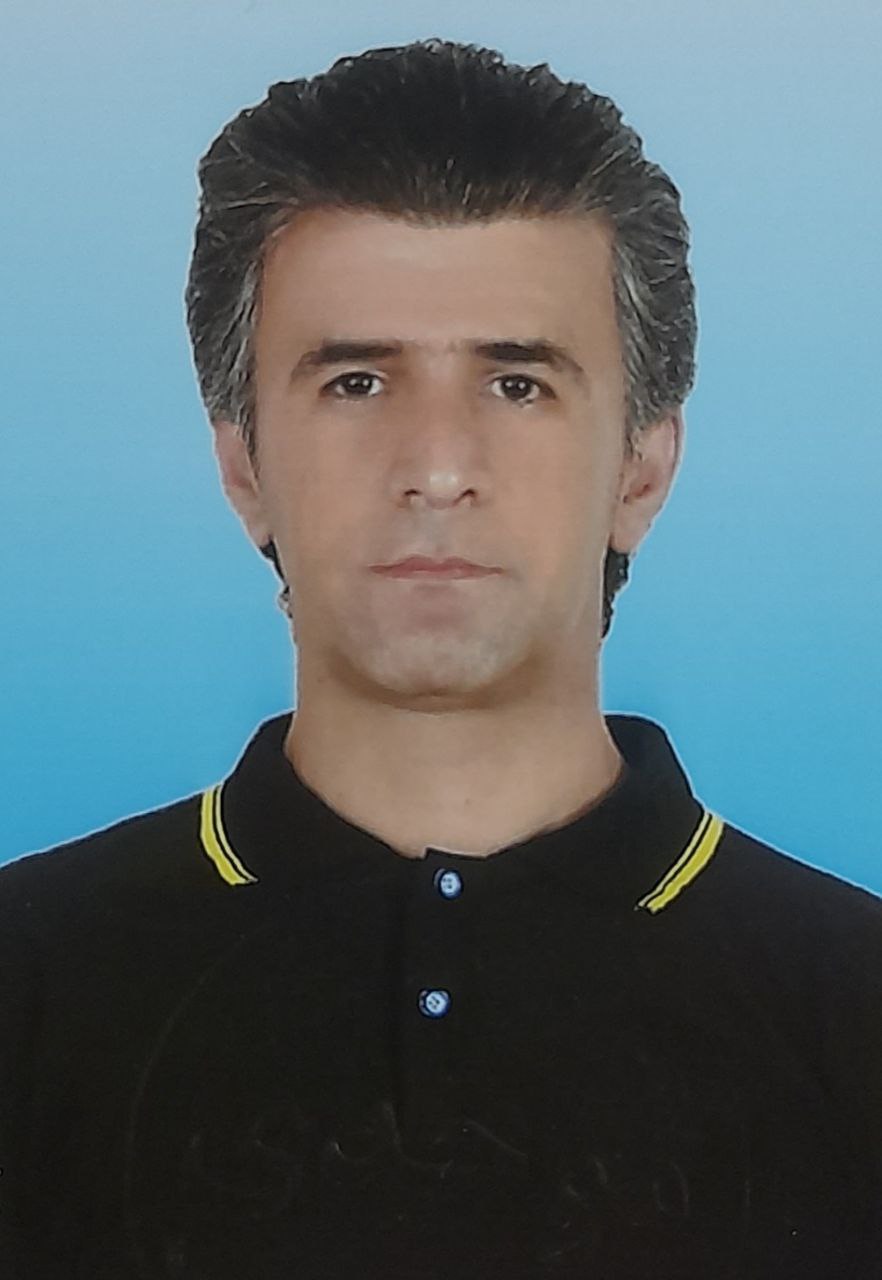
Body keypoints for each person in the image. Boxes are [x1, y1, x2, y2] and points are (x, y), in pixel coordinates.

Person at [1, 36, 879, 1280]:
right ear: (243, 466)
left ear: (642, 467)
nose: (437, 465)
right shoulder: (27, 984)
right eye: (357, 380)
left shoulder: (856, 1008)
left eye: (518, 384)